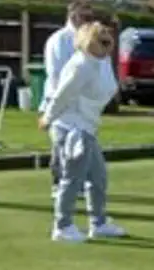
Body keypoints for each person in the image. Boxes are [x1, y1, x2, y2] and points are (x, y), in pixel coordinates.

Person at [42, 21, 127, 243]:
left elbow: (109, 89)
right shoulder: (80, 65)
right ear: (89, 42)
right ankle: (62, 226)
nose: (108, 46)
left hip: (88, 127)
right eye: (102, 41)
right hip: (71, 127)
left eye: (109, 41)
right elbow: (63, 94)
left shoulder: (102, 62)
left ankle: (98, 223)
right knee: (72, 178)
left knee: (98, 177)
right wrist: (48, 117)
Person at [42, 1, 96, 185]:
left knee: (80, 146)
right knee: (61, 146)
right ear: (73, 16)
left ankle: (76, 183)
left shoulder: (90, 40)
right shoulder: (59, 40)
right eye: (85, 17)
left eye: (91, 17)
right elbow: (56, 75)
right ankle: (58, 185)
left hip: (82, 105)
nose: (89, 21)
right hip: (60, 103)